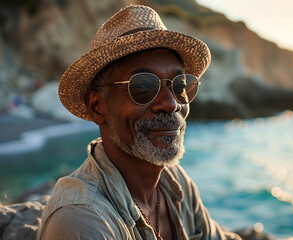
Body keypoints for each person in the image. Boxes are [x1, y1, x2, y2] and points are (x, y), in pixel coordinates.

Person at [37, 5, 241, 240]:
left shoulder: (176, 182)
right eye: (143, 86)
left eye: (180, 86)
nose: (171, 103)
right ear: (97, 106)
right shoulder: (81, 220)